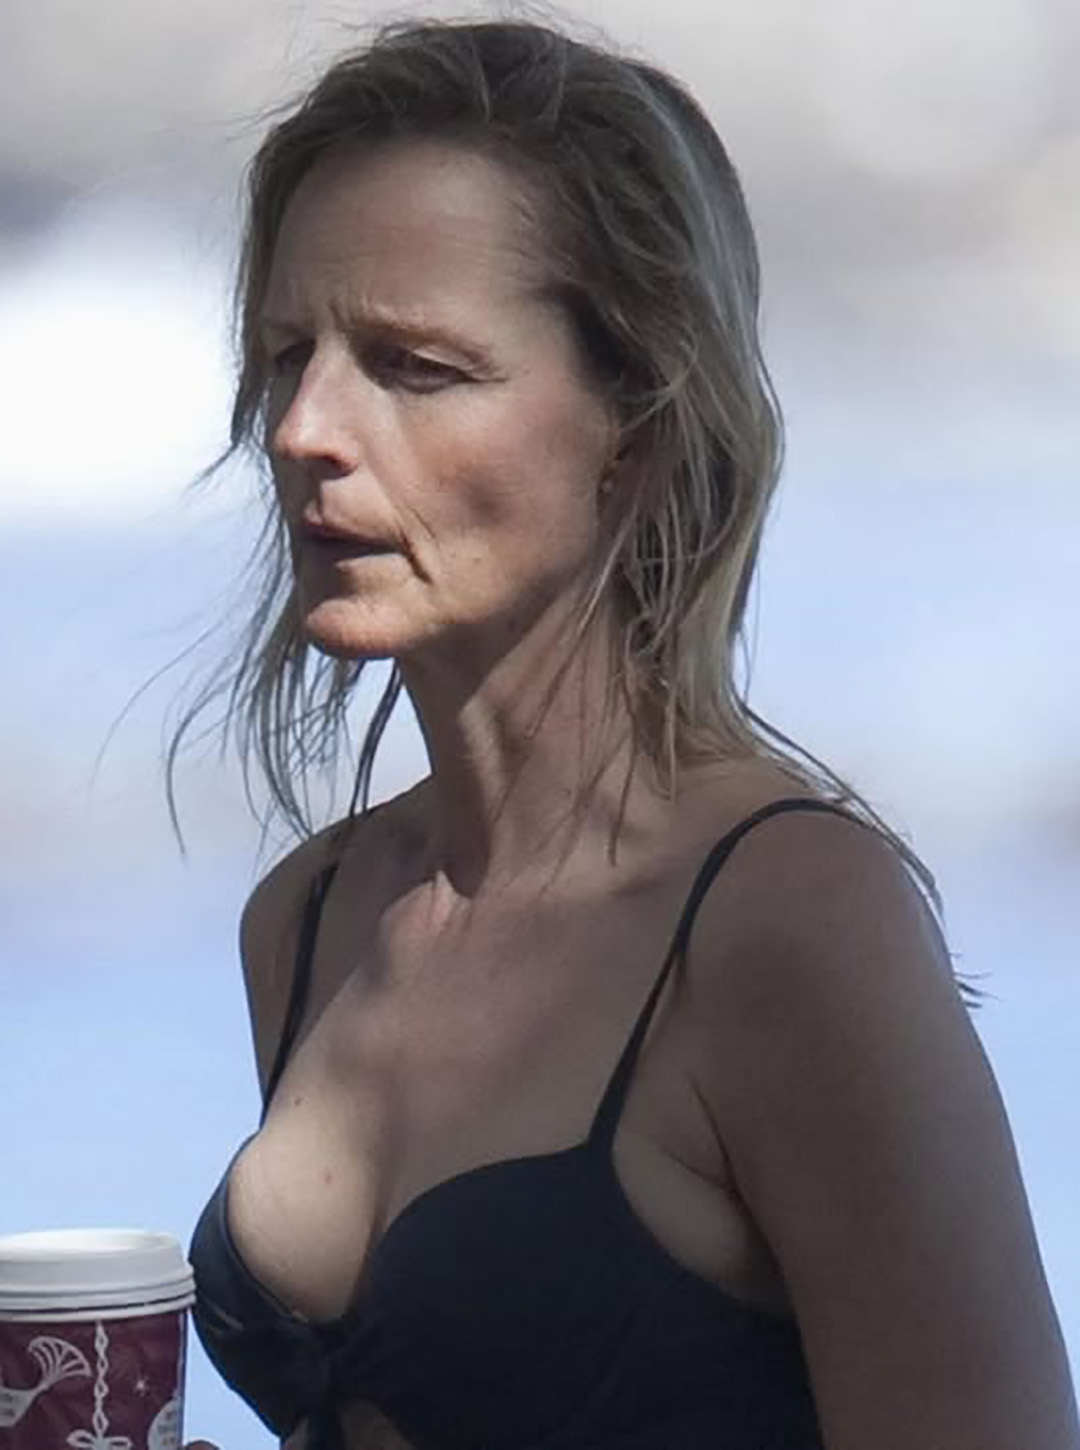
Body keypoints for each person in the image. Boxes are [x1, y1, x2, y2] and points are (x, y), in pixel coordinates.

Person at [178, 14, 1079, 1450]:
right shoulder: (307, 921)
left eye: (413, 365)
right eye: (291, 354)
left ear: (638, 427)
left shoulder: (785, 920)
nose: (304, 429)